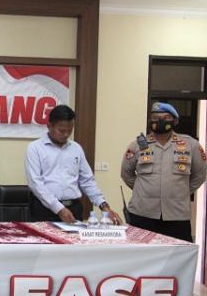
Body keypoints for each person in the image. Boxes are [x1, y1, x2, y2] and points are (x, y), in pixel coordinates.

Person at [121, 102, 207, 242]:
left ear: (175, 121)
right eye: (155, 117)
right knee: (140, 253)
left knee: (178, 254)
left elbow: (200, 175)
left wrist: (181, 191)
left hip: (177, 214)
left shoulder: (191, 145)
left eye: (166, 117)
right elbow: (126, 174)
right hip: (142, 213)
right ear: (150, 121)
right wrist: (143, 190)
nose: (160, 121)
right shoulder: (137, 145)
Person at [25, 104, 122, 224]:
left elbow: (87, 181)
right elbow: (35, 184)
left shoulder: (76, 149)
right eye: (61, 130)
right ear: (49, 126)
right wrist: (59, 208)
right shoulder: (35, 148)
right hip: (45, 210)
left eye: (70, 130)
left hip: (73, 209)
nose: (66, 134)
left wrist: (104, 207)